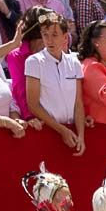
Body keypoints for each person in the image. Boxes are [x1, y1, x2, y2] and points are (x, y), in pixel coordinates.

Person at [26, 12, 87, 149]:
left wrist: (81, 136)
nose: (49, 40)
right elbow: (33, 104)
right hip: (48, 133)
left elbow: (78, 103)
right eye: (45, 34)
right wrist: (61, 130)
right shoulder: (34, 62)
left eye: (54, 35)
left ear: (65, 37)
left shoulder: (74, 62)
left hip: (72, 134)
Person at [5, 5, 46, 119]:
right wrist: (30, 116)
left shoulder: (52, 50)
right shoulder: (15, 56)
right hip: (34, 118)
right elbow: (20, 89)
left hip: (55, 114)